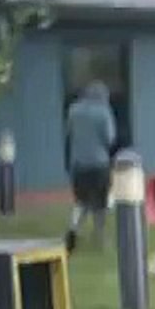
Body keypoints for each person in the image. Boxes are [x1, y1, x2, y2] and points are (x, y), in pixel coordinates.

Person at [63, 80, 118, 253]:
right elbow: (110, 138)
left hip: (78, 164)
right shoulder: (103, 112)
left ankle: (73, 229)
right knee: (100, 203)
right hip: (99, 163)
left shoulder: (73, 111)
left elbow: (69, 135)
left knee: (81, 201)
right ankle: (100, 236)